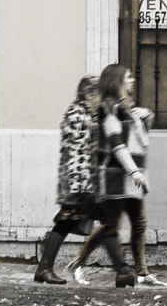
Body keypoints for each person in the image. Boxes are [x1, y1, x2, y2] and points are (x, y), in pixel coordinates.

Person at [67, 63, 153, 287]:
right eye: (128, 77)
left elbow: (141, 138)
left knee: (139, 223)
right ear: (117, 82)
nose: (133, 80)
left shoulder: (125, 108)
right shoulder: (108, 109)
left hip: (129, 176)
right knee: (111, 226)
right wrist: (134, 171)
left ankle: (142, 273)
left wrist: (143, 115)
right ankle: (78, 263)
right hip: (115, 177)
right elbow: (117, 144)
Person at [34, 75, 123, 285]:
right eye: (98, 95)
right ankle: (123, 270)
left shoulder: (87, 115)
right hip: (80, 185)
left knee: (75, 223)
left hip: (84, 184)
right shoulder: (77, 115)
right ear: (88, 95)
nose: (100, 100)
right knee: (75, 223)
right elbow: (75, 155)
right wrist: (79, 187)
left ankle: (123, 270)